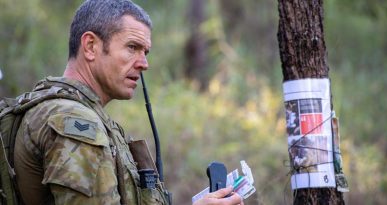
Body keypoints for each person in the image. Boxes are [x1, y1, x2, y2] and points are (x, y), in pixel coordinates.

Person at [13, 0, 243, 204]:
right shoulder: (75, 124)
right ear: (91, 46)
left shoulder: (65, 110)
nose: (144, 63)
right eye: (132, 47)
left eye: (146, 52)